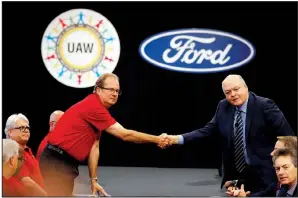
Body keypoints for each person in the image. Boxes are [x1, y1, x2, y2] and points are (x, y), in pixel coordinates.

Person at [39, 73, 168, 196]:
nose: (114, 94)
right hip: (56, 162)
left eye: (117, 91)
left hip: (64, 164)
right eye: (111, 89)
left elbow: (94, 147)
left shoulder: (96, 109)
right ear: (98, 90)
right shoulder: (93, 106)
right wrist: (157, 139)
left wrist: (93, 180)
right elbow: (125, 134)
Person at [162, 74, 294, 193]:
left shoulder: (264, 105)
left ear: (246, 87)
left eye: (236, 89)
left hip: (267, 177)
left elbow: (288, 138)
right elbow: (207, 131)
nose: (233, 94)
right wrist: (176, 139)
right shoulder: (223, 106)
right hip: (240, 179)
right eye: (228, 92)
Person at [226, 136, 297, 196]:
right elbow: (253, 179)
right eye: (277, 169)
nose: (272, 153)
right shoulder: (278, 180)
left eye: (277, 150)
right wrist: (234, 183)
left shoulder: (272, 173)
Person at [4, 113, 47, 196]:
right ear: (10, 132)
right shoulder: (10, 151)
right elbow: (26, 181)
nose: (26, 130)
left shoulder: (27, 150)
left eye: (27, 127)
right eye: (21, 127)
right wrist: (45, 194)